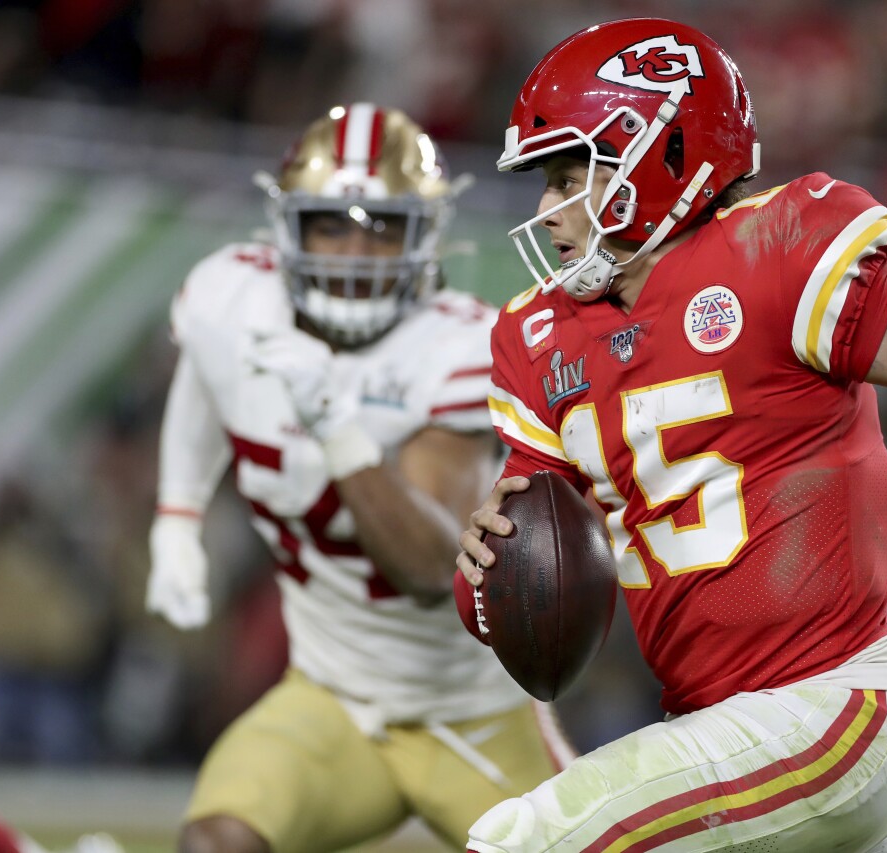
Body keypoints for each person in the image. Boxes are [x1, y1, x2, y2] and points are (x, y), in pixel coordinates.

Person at [453, 18, 887, 853]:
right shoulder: (539, 337)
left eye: (567, 175)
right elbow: (527, 577)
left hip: (826, 704)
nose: (547, 210)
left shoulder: (777, 251)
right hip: (721, 729)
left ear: (658, 154)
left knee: (520, 842)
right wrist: (484, 568)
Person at [146, 103, 573, 853]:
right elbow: (207, 379)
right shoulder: (231, 300)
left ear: (426, 235)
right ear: (288, 228)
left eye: (382, 227)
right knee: (216, 841)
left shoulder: (457, 345)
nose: (354, 252)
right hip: (330, 697)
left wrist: (338, 430)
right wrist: (177, 515)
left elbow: (428, 567)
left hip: (470, 711)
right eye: (330, 225)